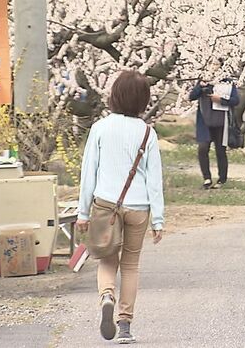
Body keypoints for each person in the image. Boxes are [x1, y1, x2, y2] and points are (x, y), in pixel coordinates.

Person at [76, 70, 164, 344]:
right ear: (142, 100)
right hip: (138, 207)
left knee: (107, 259)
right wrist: (158, 220)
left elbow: (88, 171)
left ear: (114, 95)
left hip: (105, 205)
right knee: (130, 266)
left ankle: (106, 296)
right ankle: (124, 326)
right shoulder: (147, 132)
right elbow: (155, 179)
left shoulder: (101, 128)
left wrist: (82, 213)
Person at [189, 61, 240, 189]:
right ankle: (207, 178)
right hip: (204, 121)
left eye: (217, 64)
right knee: (203, 148)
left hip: (221, 121)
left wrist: (221, 100)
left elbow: (236, 100)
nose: (214, 67)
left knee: (220, 150)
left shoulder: (227, 82)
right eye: (212, 63)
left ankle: (222, 179)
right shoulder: (204, 79)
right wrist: (200, 86)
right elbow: (192, 96)